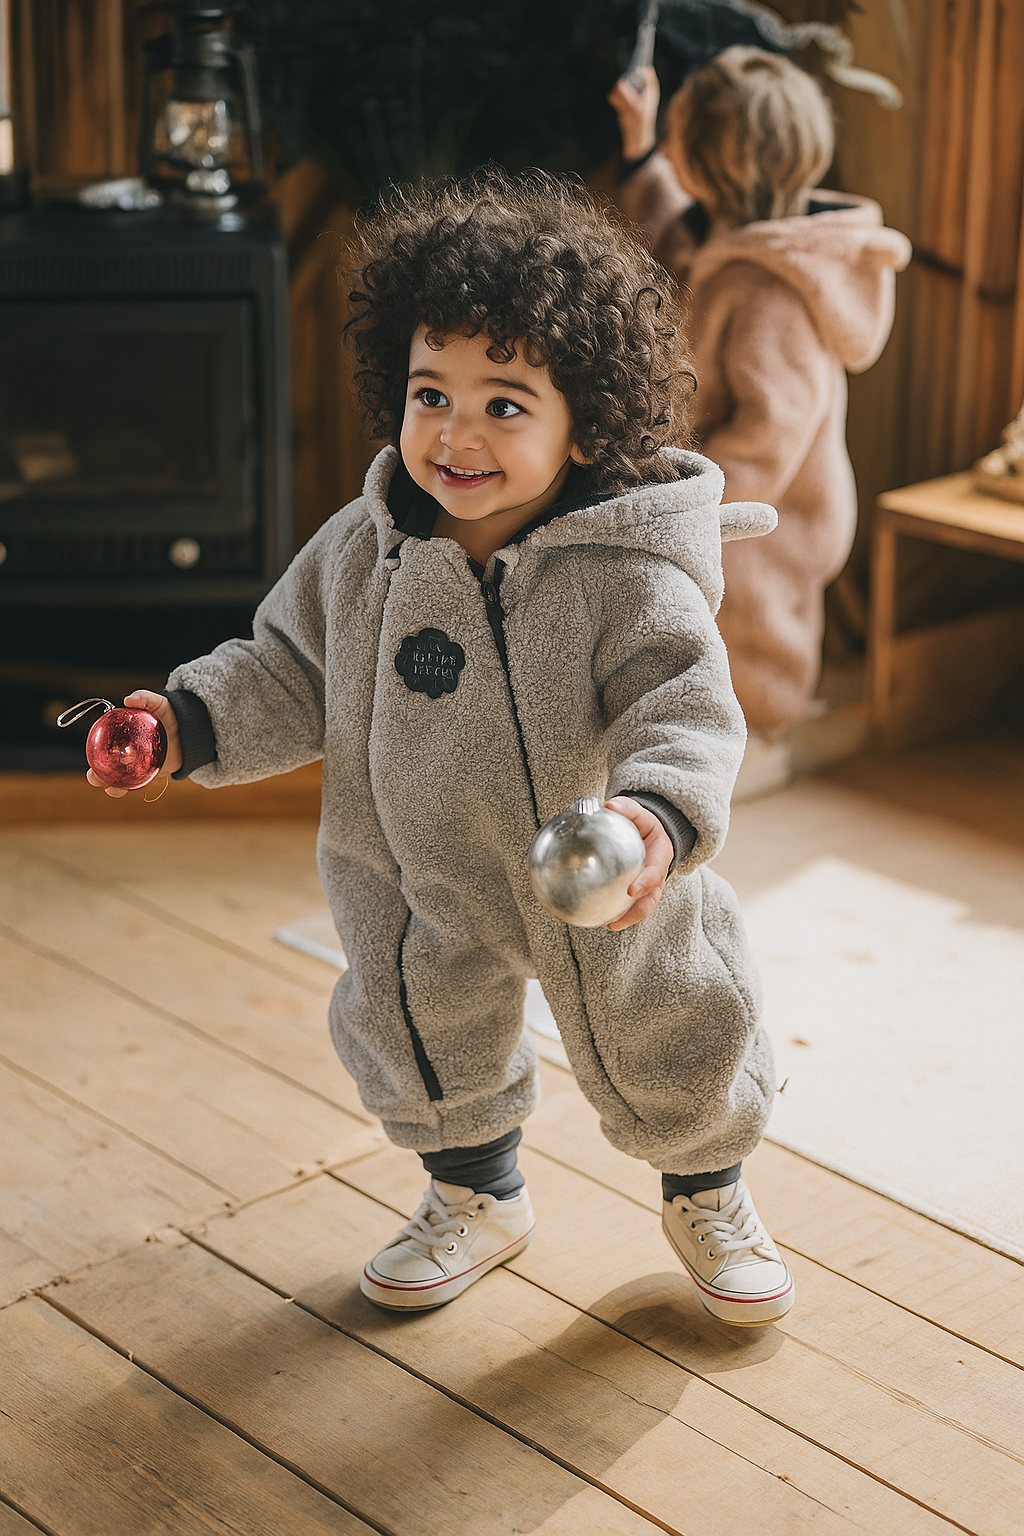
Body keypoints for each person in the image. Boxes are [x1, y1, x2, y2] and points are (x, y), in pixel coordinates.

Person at [90, 170, 794, 1326]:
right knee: (419, 1029)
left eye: (506, 404)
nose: (457, 434)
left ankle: (707, 1186)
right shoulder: (363, 555)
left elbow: (684, 706)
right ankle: (477, 1196)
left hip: (602, 870)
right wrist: (186, 721)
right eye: (431, 394)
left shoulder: (626, 577)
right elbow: (285, 668)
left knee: (670, 1017)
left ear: (587, 422)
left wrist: (651, 823)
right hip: (416, 863)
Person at [609, 48, 911, 786]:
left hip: (765, 508)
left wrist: (697, 493)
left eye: (677, 136)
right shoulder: (727, 235)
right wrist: (640, 145)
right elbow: (666, 239)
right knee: (691, 622)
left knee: (750, 628)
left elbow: (774, 427)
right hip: (715, 490)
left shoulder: (774, 286)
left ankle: (759, 739)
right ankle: (692, 728)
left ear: (712, 162)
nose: (671, 150)